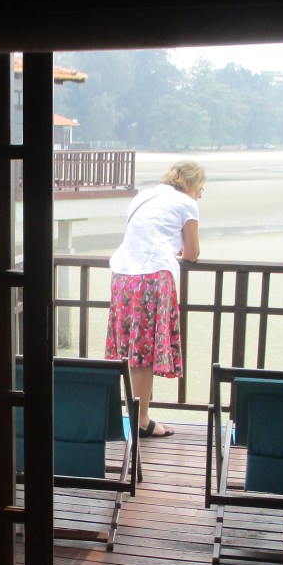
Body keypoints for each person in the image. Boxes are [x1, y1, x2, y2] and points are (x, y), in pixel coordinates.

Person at [105, 160, 204, 438]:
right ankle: (141, 420)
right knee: (143, 354)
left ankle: (135, 414)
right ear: (191, 184)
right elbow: (192, 252)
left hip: (122, 276)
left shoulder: (143, 197)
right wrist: (178, 251)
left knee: (130, 351)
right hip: (151, 278)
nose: (199, 194)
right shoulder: (186, 203)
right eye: (200, 188)